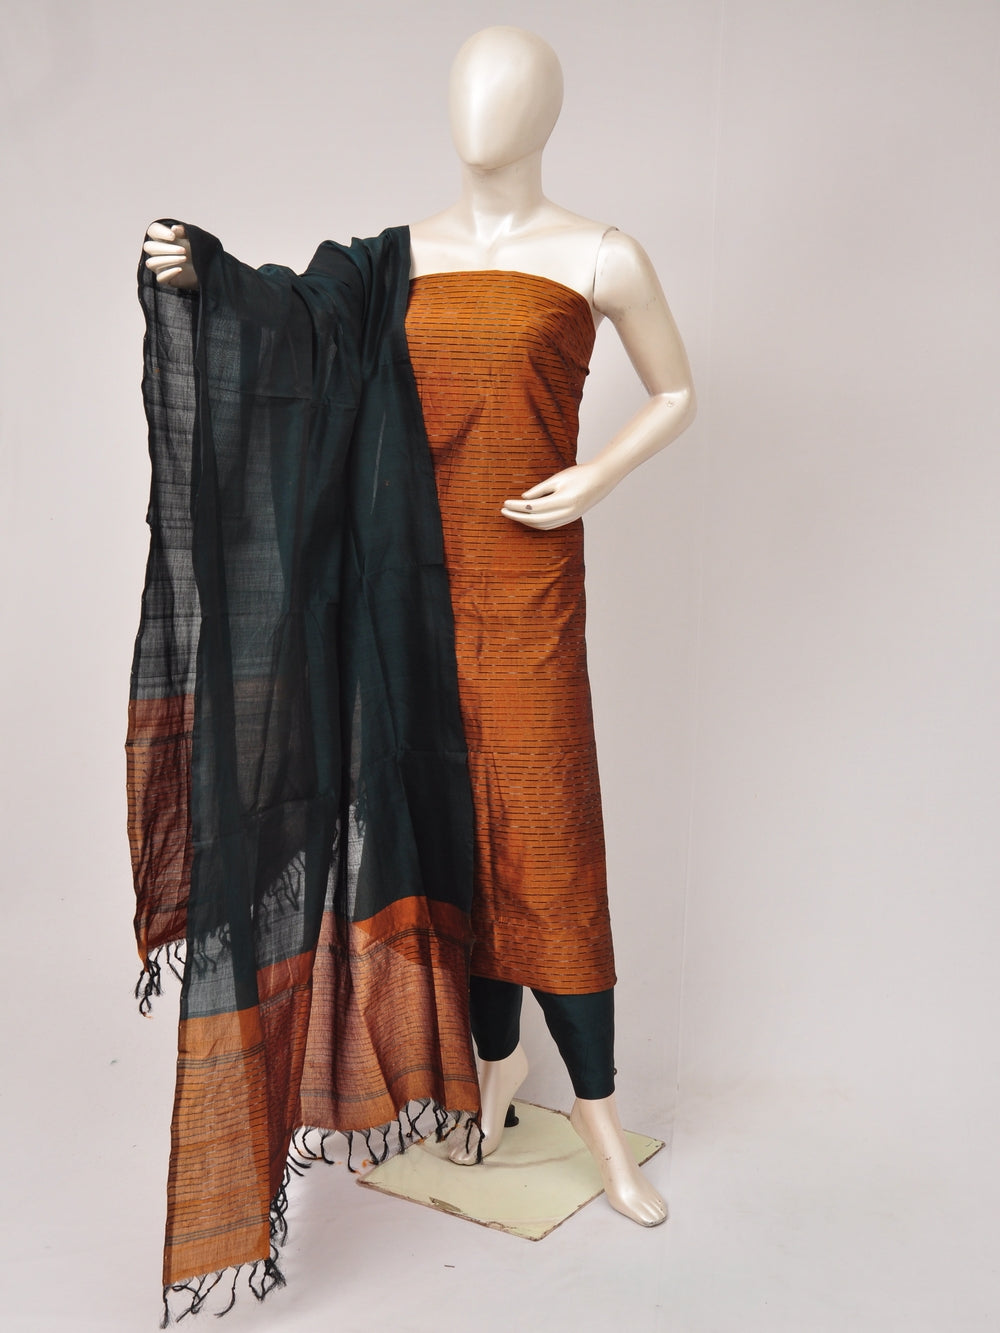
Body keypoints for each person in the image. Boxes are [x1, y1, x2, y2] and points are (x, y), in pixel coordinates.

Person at [140, 26, 694, 1308]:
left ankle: (599, 1114)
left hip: (528, 593)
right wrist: (208, 273)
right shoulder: (392, 264)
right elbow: (288, 326)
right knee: (448, 838)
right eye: (466, 85)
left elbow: (676, 391)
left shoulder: (600, 254)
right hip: (403, 606)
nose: (482, 109)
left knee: (547, 842)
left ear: (547, 109)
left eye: (508, 88)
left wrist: (597, 475)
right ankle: (492, 1069)